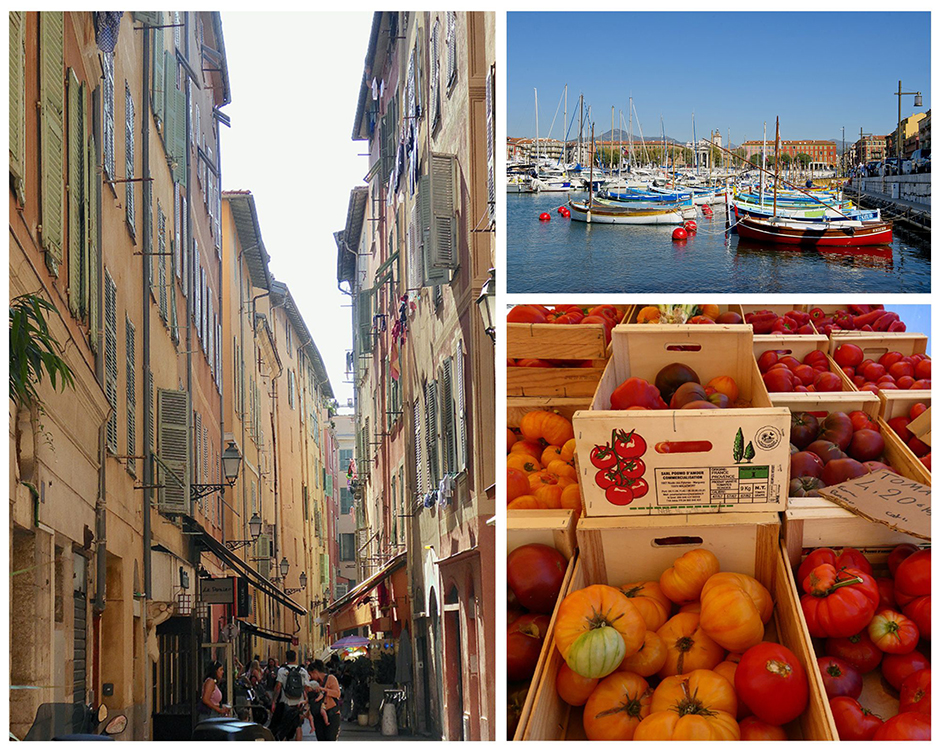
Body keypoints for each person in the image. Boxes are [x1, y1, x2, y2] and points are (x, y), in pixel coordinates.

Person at [270, 649, 312, 741]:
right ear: (296, 658)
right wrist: (307, 701)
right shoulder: (302, 671)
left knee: (284, 727)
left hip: (286, 702)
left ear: (286, 658)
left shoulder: (282, 670)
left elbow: (278, 687)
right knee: (298, 726)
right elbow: (307, 688)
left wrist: (274, 701)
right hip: (299, 703)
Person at [308, 659, 342, 741]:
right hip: (318, 715)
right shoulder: (313, 683)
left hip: (332, 714)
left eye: (311, 674)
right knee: (321, 739)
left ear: (315, 672)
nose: (311, 677)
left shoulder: (331, 679)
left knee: (330, 739)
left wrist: (324, 690)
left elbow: (337, 693)